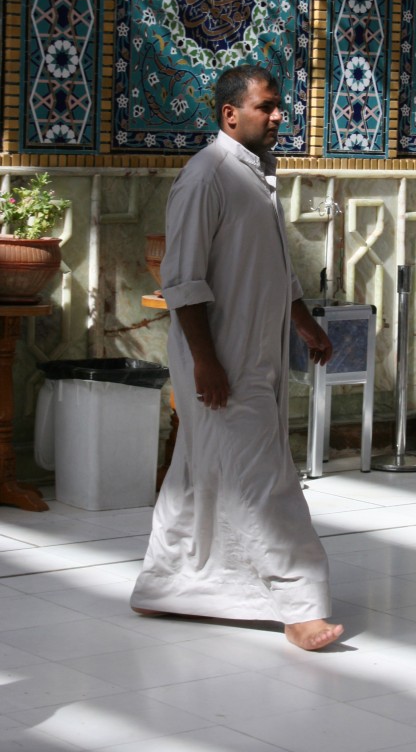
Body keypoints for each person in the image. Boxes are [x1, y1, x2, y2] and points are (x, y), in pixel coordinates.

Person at [130, 65, 344, 651]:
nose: (279, 117)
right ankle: (298, 605)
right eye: (267, 107)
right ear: (231, 114)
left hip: (257, 355)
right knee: (261, 481)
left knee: (200, 473)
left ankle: (168, 585)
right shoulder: (207, 177)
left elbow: (271, 266)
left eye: (279, 107)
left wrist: (303, 324)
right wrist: (206, 361)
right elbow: (182, 280)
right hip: (223, 360)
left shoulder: (256, 173)